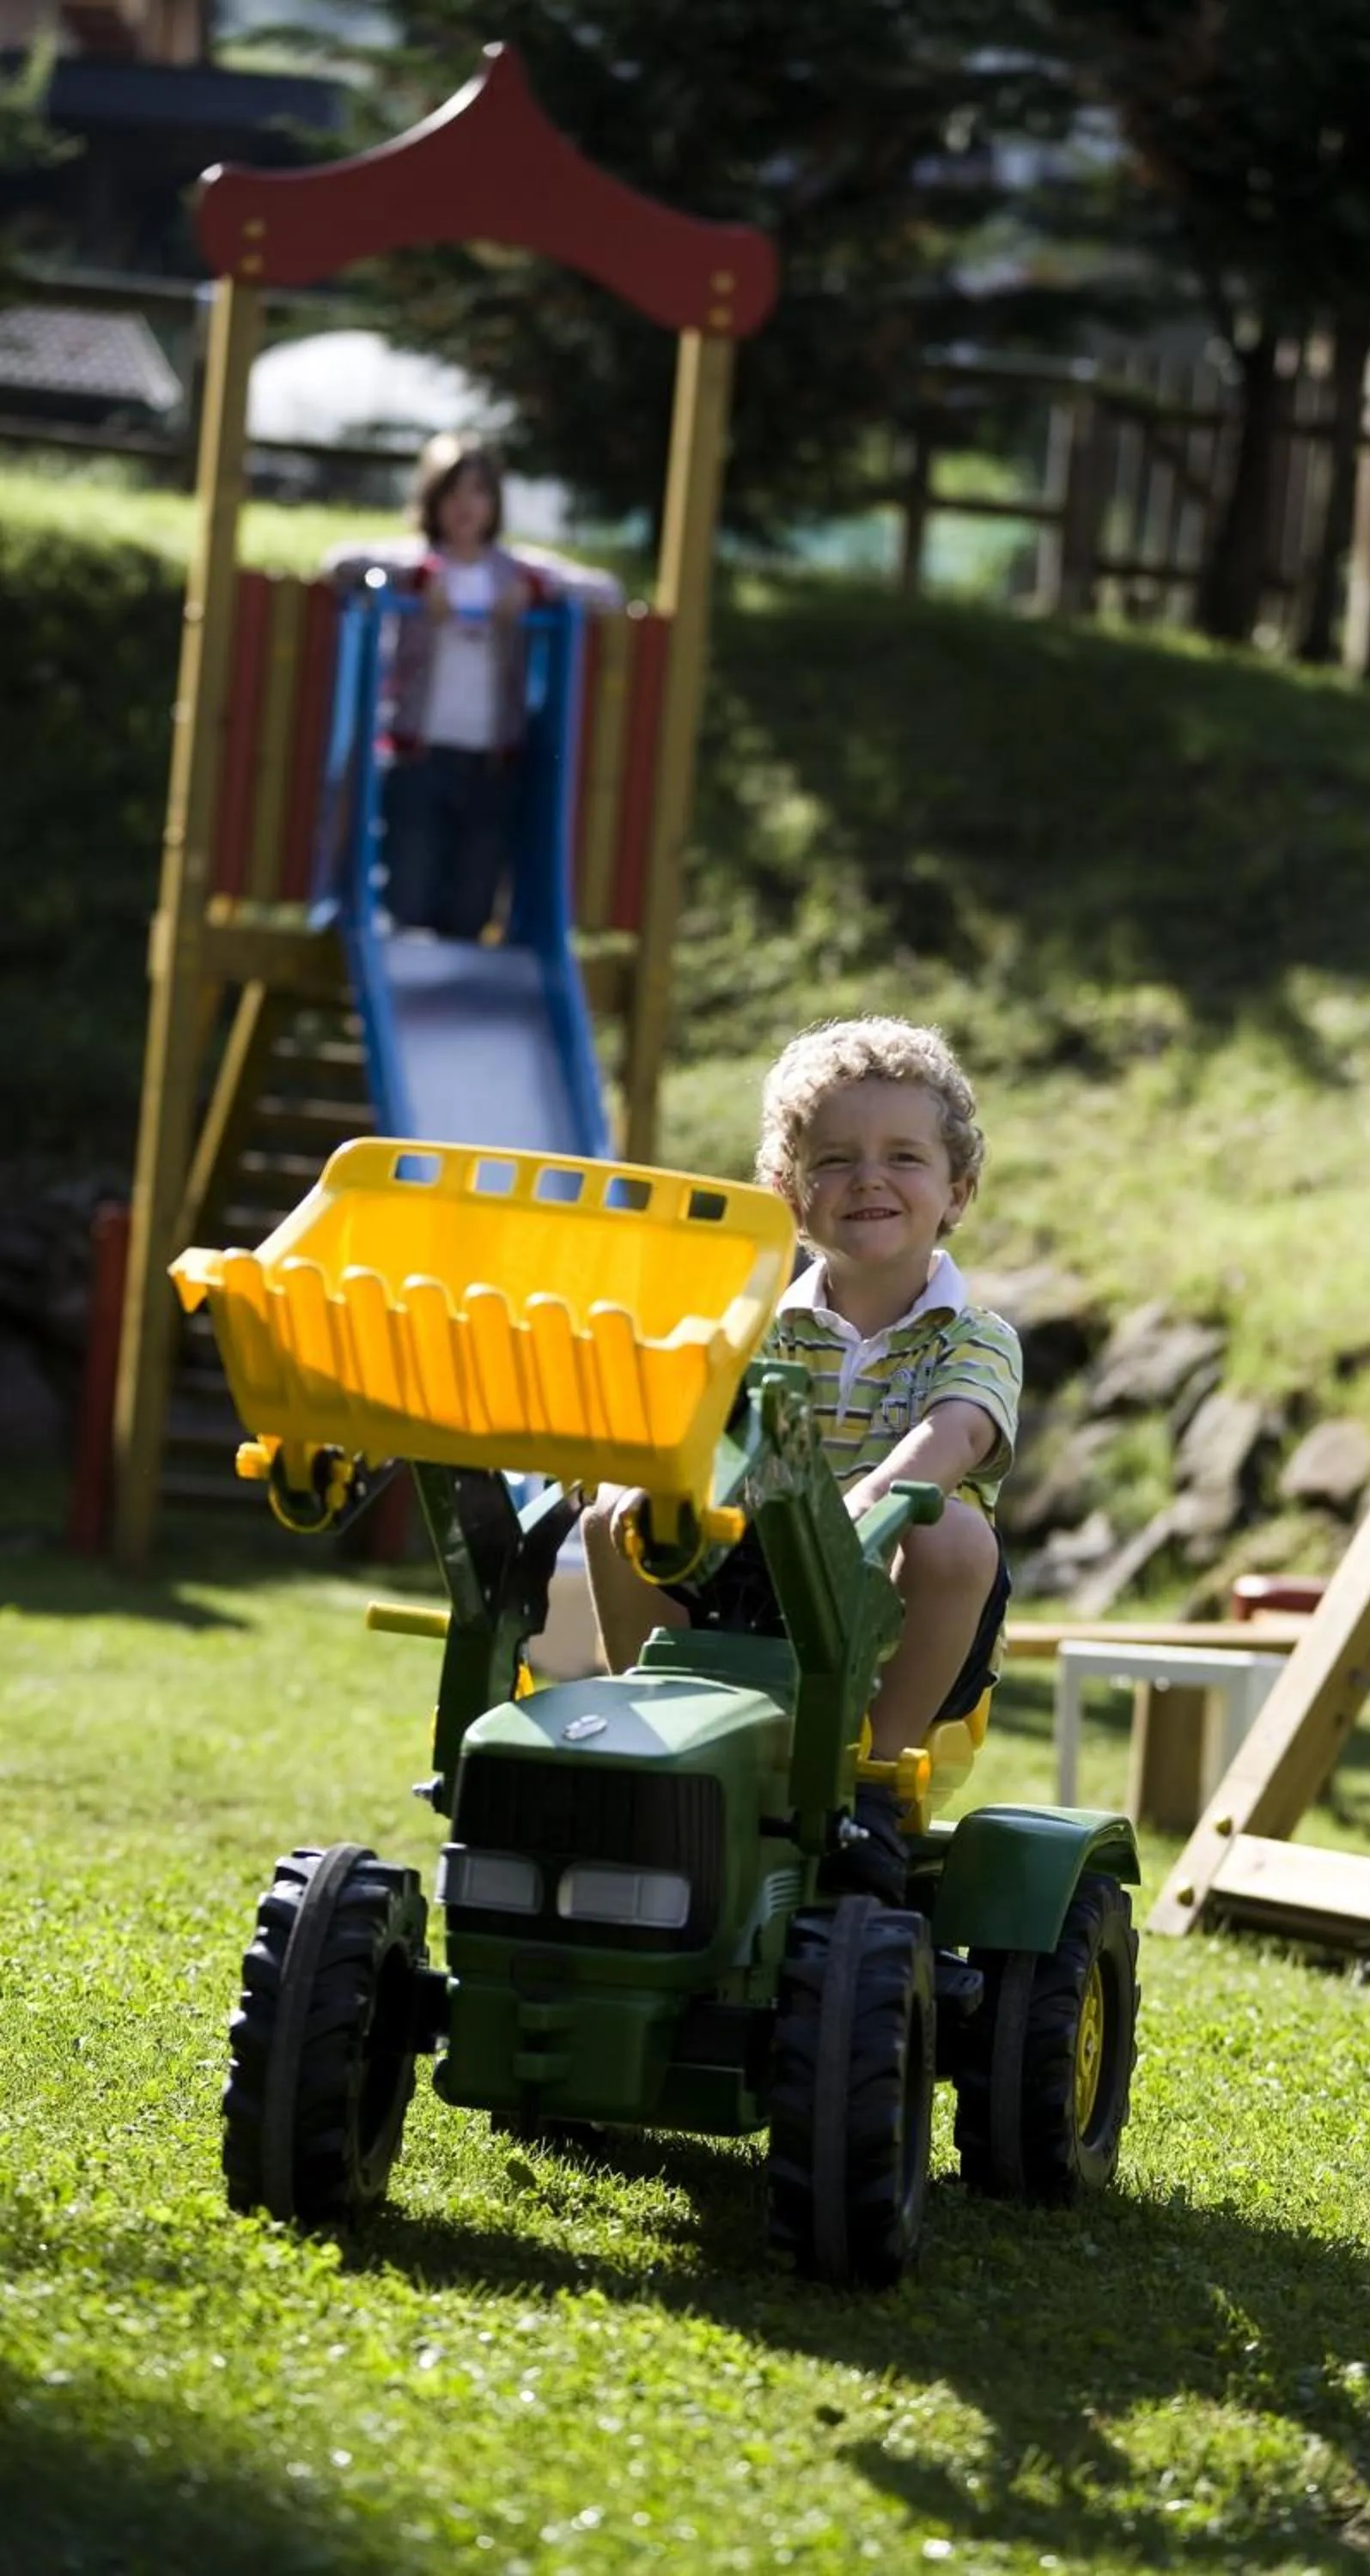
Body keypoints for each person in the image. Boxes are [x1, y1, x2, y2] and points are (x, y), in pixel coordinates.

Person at [582, 1015, 1022, 1898]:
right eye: (835, 1159)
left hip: (899, 1611)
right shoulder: (753, 1328)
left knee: (949, 1533)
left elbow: (957, 1433)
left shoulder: (973, 1337)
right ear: (788, 1191)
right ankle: (658, 1731)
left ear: (957, 1191)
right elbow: (697, 1426)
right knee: (615, 1515)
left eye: (903, 1157)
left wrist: (861, 1509)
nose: (868, 1178)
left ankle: (872, 1784)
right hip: (760, 1583)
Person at [322, 432, 622, 940]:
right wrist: (416, 580)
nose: (465, 506)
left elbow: (608, 593)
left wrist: (536, 591)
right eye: (452, 493)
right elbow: (341, 566)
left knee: (471, 906)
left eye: (478, 492)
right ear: (432, 499)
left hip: (491, 763)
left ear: (495, 503)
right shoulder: (412, 563)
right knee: (409, 895)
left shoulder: (514, 572)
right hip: (418, 757)